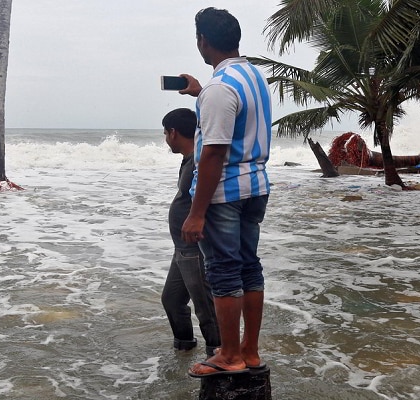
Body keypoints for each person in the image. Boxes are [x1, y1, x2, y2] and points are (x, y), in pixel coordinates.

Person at [177, 7, 272, 377]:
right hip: (255, 188)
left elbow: (214, 152)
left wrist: (196, 212)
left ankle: (229, 355)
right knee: (249, 267)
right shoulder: (250, 76)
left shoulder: (220, 87)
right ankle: (249, 351)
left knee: (223, 272)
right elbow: (237, 117)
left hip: (225, 194)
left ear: (203, 41)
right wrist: (201, 93)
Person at [160, 108, 221, 358]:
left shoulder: (199, 158)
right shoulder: (191, 158)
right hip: (181, 248)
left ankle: (218, 354)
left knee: (205, 306)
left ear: (173, 133)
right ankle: (184, 348)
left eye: (165, 133)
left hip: (194, 246)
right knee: (172, 300)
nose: (165, 138)